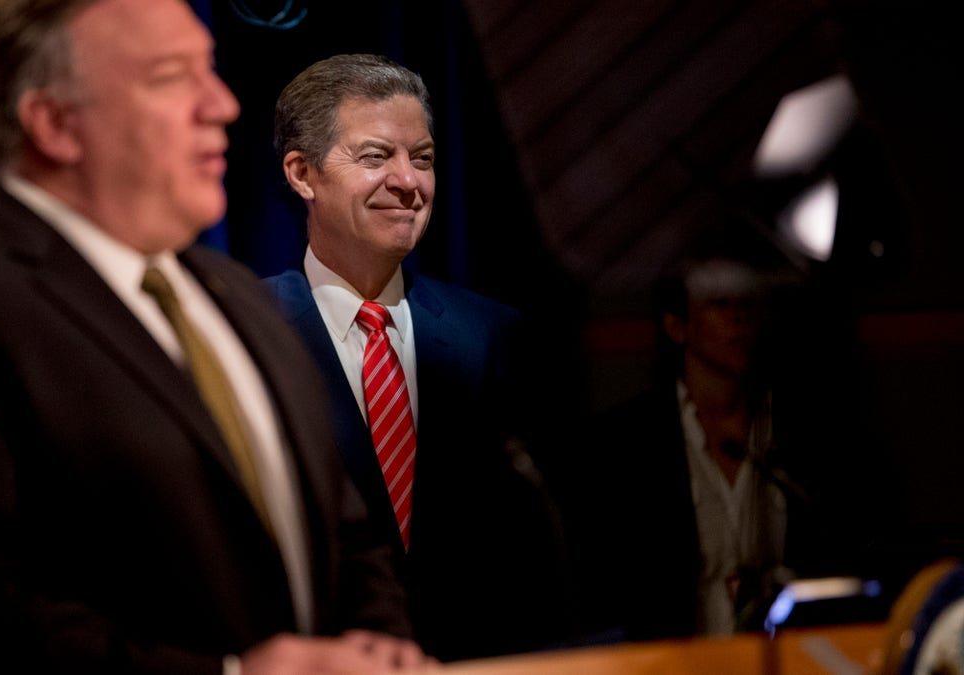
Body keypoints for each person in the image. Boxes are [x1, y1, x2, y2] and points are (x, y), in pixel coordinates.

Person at [0, 2, 438, 673]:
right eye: (173, 77)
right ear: (55, 123)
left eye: (211, 70)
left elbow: (343, 536)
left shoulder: (234, 297)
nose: (223, 104)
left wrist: (381, 648)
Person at [264, 53, 574, 661]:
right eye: (376, 157)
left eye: (423, 158)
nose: (409, 182)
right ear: (303, 174)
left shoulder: (490, 334)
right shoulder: (247, 331)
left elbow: (530, 548)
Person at [569, 248, 893, 642]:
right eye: (719, 304)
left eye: (748, 304)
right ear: (677, 325)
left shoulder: (806, 437)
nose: (737, 318)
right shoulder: (627, 444)